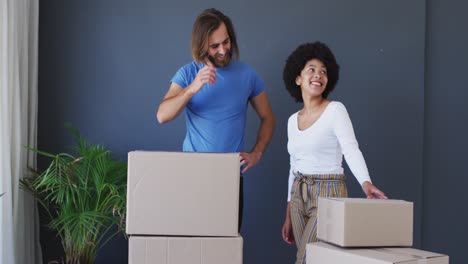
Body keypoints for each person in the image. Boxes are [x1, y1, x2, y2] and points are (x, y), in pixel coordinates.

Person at [156, 8, 275, 230]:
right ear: (202, 47)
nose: (223, 50)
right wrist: (192, 88)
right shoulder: (188, 73)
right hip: (192, 175)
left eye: (226, 41)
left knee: (225, 248)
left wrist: (257, 152)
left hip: (229, 178)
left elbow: (268, 117)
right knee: (192, 247)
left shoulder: (247, 74)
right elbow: (162, 115)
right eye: (214, 46)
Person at [280, 42, 387, 264]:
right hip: (298, 194)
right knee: (314, 259)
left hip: (328, 192)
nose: (318, 74)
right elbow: (293, 164)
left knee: (306, 258)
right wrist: (289, 210)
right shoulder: (292, 121)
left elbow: (350, 149)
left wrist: (366, 182)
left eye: (323, 71)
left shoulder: (335, 110)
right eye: (311, 69)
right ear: (297, 77)